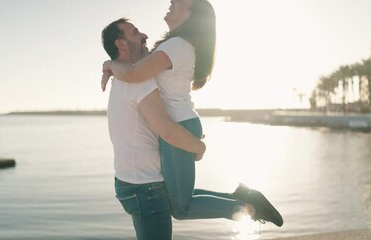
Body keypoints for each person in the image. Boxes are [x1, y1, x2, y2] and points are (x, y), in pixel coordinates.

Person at [102, 0, 283, 229]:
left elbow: (135, 72)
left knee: (181, 208)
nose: (171, 2)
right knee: (178, 196)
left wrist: (109, 64)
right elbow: (133, 70)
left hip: (178, 125)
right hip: (182, 122)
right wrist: (111, 65)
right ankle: (240, 197)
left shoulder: (177, 45)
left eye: (179, 1)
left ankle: (249, 207)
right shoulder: (176, 44)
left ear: (191, 16)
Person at [102, 18, 217, 240]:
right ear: (121, 45)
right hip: (145, 189)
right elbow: (167, 130)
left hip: (131, 184)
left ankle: (240, 200)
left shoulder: (123, 78)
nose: (144, 36)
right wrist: (199, 146)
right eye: (135, 33)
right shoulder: (138, 81)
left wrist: (109, 65)